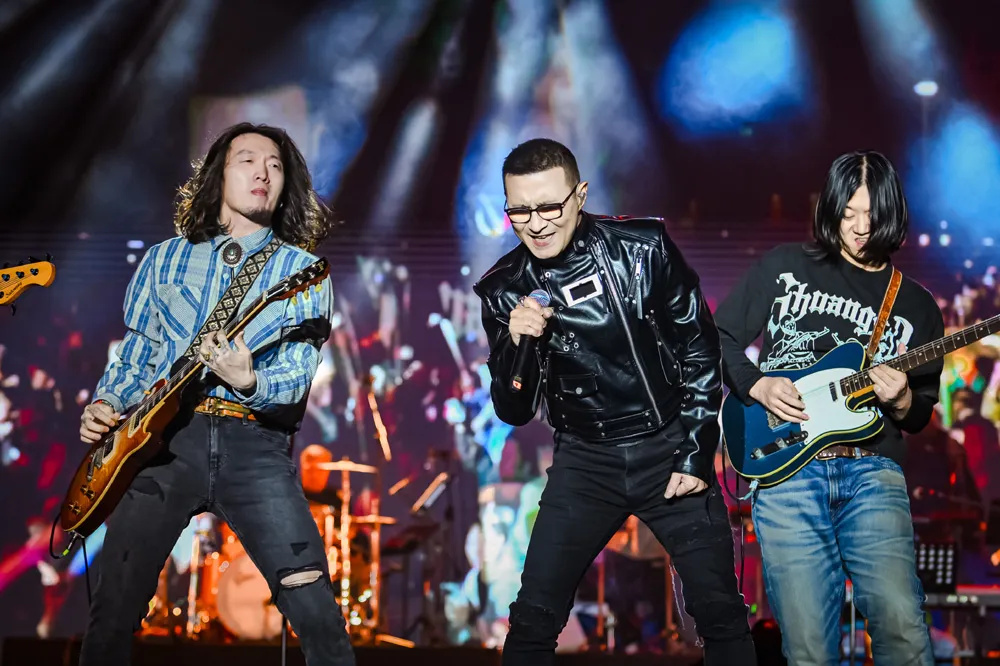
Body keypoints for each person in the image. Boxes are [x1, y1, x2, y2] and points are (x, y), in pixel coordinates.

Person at [77, 123, 354, 666]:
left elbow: (297, 375)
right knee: (112, 609)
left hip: (255, 445)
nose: (262, 173)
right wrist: (106, 402)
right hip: (163, 443)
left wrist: (249, 379)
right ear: (218, 175)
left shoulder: (303, 271)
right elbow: (138, 352)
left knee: (315, 609)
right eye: (247, 160)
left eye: (275, 166)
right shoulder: (163, 259)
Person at [474, 138, 755, 665]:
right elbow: (513, 410)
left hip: (669, 447)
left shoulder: (643, 247)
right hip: (585, 460)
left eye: (549, 206)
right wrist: (516, 343)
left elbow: (699, 346)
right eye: (520, 211)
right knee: (532, 619)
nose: (535, 224)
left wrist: (697, 452)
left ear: (579, 195)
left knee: (720, 614)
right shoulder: (504, 289)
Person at [715, 150, 944, 664]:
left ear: (893, 214)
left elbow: (919, 415)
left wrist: (903, 397)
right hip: (786, 472)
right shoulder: (784, 266)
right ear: (831, 208)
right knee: (811, 650)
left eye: (873, 215)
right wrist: (757, 385)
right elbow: (718, 335)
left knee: (903, 630)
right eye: (849, 214)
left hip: (873, 472)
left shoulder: (917, 306)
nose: (861, 228)